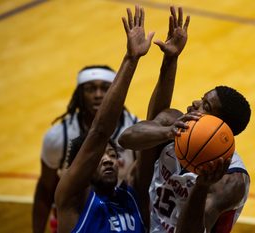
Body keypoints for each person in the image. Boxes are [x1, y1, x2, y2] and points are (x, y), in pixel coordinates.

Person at [118, 6, 251, 233]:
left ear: (220, 128)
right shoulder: (174, 123)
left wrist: (201, 187)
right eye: (201, 99)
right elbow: (127, 139)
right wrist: (167, 133)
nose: (194, 104)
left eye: (205, 106)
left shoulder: (231, 180)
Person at [54, 5, 154, 232]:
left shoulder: (132, 196)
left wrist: (169, 62)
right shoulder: (73, 199)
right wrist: (131, 59)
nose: (109, 159)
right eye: (100, 156)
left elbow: (151, 138)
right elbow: (99, 132)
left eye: (112, 154)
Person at [32, 49, 139, 233]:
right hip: (76, 214)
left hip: (120, 214)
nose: (98, 94)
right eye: (90, 89)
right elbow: (45, 190)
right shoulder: (59, 137)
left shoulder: (134, 129)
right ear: (80, 94)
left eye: (105, 88)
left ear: (115, 91)